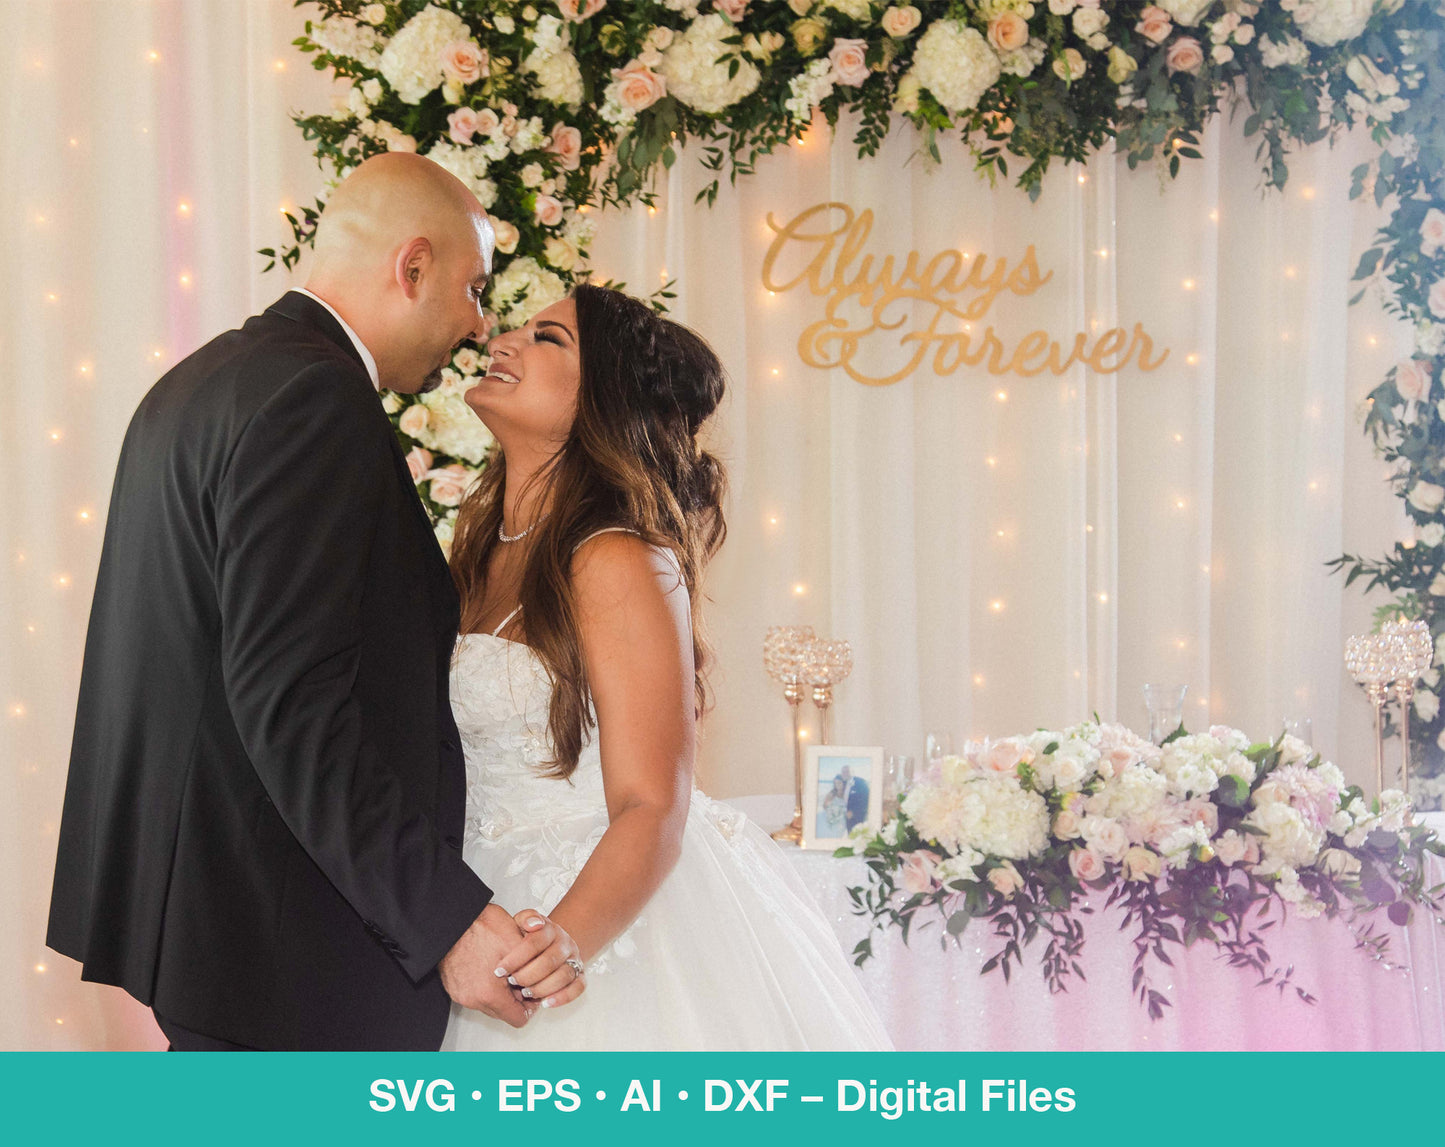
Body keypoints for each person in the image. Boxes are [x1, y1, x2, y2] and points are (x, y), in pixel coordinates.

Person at [46, 154, 580, 1051]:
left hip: (211, 929)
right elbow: (291, 703)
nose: (476, 325)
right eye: (473, 290)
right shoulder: (315, 399)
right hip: (282, 948)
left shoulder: (202, 380)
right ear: (411, 268)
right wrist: (444, 916)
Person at [440, 283, 892, 1050]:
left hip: (592, 913)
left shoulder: (615, 555)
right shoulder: (477, 549)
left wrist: (560, 945)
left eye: (548, 338)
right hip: (474, 896)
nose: (504, 341)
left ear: (603, 399)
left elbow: (654, 799)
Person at [840, 764, 871, 832]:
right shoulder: (842, 783)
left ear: (853, 772)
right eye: (843, 772)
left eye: (847, 771)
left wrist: (854, 812)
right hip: (846, 818)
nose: (844, 774)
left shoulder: (861, 782)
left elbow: (867, 800)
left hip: (857, 819)